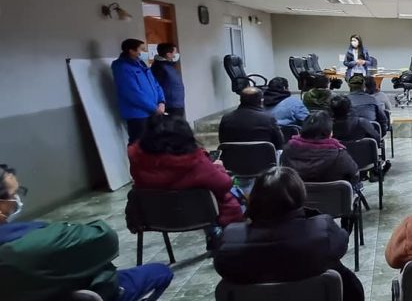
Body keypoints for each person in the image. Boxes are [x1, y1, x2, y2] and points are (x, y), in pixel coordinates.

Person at [0, 165, 174, 301]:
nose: (18, 199)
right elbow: (105, 239)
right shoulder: (38, 241)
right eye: (14, 194)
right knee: (161, 272)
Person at [214, 167, 365, 301]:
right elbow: (342, 243)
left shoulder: (229, 242)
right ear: (300, 196)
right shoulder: (322, 231)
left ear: (254, 199)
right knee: (331, 264)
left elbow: (224, 270)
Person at [128, 115, 244, 247]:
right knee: (231, 193)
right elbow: (224, 184)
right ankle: (217, 234)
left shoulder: (138, 161)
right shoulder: (196, 163)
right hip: (198, 216)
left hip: (155, 218)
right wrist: (218, 167)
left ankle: (215, 233)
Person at [281, 111, 361, 189]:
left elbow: (284, 173)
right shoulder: (339, 155)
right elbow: (355, 175)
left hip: (296, 196)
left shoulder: (288, 149)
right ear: (329, 133)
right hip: (332, 196)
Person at [111, 38, 165, 144]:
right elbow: (133, 93)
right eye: (142, 49)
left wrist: (161, 101)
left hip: (153, 111)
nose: (145, 52)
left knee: (153, 143)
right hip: (138, 115)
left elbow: (156, 84)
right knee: (138, 144)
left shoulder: (141, 64)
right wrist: (154, 108)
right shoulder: (122, 67)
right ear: (131, 51)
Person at [219, 87, 284, 150]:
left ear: (240, 100)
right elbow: (279, 143)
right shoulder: (268, 119)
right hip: (262, 156)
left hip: (232, 157)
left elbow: (222, 141)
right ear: (261, 101)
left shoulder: (226, 118)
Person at [150, 43, 185, 118]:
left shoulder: (169, 65)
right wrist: (161, 102)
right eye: (175, 52)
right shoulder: (159, 67)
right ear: (168, 54)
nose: (176, 54)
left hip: (176, 103)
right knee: (172, 124)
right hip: (170, 105)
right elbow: (156, 86)